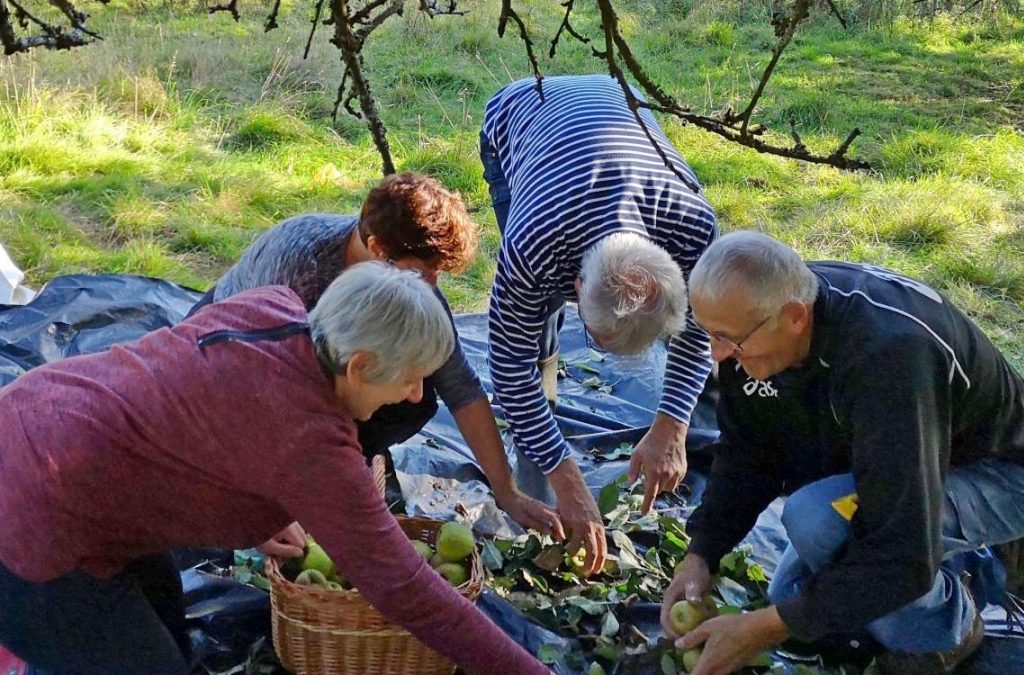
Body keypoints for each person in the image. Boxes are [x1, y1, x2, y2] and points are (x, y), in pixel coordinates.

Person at [0, 262, 551, 675]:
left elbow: (203, 411)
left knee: (167, 633)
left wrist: (259, 515)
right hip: (31, 516)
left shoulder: (271, 308)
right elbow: (408, 589)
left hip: (42, 421)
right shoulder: (312, 444)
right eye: (410, 377)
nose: (414, 395)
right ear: (360, 366)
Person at [662, 231, 1024, 675]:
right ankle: (984, 552)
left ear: (794, 317)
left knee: (817, 523)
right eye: (708, 333)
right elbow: (749, 452)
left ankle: (959, 617)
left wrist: (763, 629)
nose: (718, 354)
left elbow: (899, 549)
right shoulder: (759, 320)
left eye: (730, 340)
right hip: (912, 459)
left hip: (1005, 474)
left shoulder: (888, 359)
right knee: (791, 595)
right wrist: (701, 554)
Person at [194, 172, 560, 552]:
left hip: (322, 366)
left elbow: (462, 387)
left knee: (413, 389)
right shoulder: (301, 276)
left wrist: (507, 491)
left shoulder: (408, 283)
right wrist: (272, 510)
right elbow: (265, 393)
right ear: (376, 248)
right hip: (231, 355)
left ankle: (353, 460)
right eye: (423, 272)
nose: (431, 286)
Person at [481, 74, 718, 574]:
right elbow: (505, 367)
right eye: (597, 338)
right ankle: (538, 478)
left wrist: (672, 425)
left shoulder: (694, 227)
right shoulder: (534, 245)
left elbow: (701, 331)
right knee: (530, 326)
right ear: (576, 281)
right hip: (522, 109)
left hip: (615, 98)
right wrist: (568, 481)